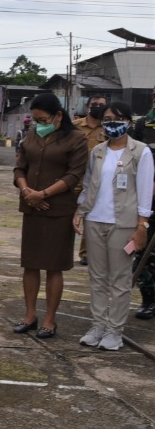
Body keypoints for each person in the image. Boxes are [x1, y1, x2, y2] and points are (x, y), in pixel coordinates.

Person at [74, 102, 152, 352]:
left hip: (124, 223)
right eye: (108, 119)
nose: (112, 123)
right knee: (97, 278)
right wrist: (80, 210)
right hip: (95, 220)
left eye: (118, 118)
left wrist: (142, 225)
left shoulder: (140, 152)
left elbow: (145, 191)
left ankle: (114, 330)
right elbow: (88, 184)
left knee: (119, 279)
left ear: (128, 121)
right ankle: (98, 325)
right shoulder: (98, 151)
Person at [12, 94, 88, 339]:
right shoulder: (31, 136)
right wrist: (27, 191)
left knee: (54, 267)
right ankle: (30, 315)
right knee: (30, 264)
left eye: (43, 119)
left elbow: (74, 175)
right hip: (32, 208)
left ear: (58, 116)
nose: (38, 124)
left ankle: (50, 319)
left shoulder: (76, 138)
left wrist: (43, 193)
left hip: (58, 210)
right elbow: (19, 168)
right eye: (35, 120)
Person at [73, 93, 109, 266]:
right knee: (67, 216)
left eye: (101, 104)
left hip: (96, 180)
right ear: (87, 106)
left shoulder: (109, 128)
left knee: (91, 217)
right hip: (73, 178)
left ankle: (86, 253)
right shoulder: (75, 127)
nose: (98, 106)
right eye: (94, 104)